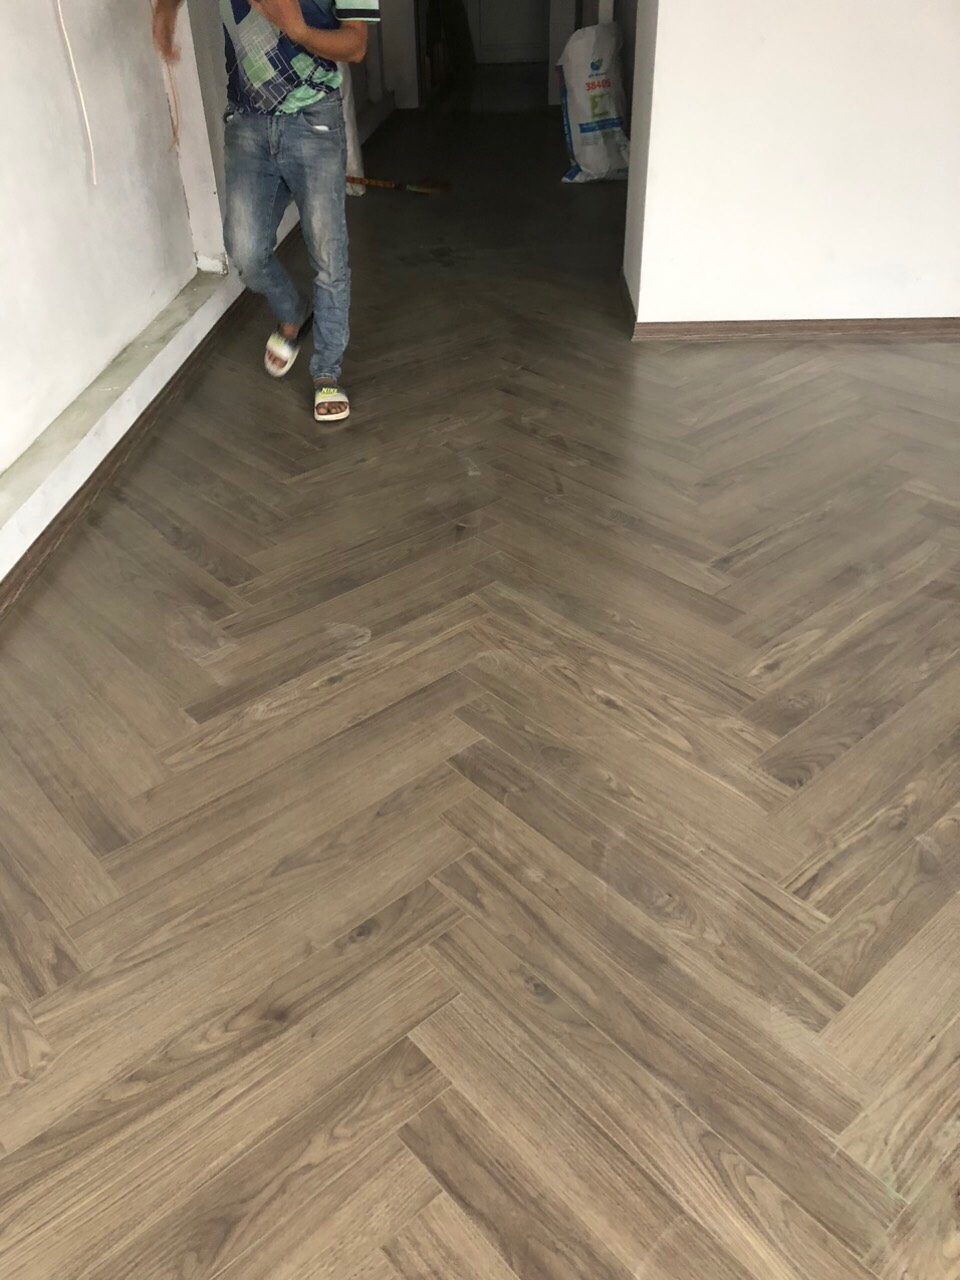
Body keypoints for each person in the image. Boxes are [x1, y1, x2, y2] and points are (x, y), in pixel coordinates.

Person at [153, 0, 380, 424]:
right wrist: (166, 9)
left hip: (314, 122)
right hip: (247, 125)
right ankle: (293, 313)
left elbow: (355, 45)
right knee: (245, 251)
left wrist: (299, 31)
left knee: (329, 259)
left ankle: (326, 371)